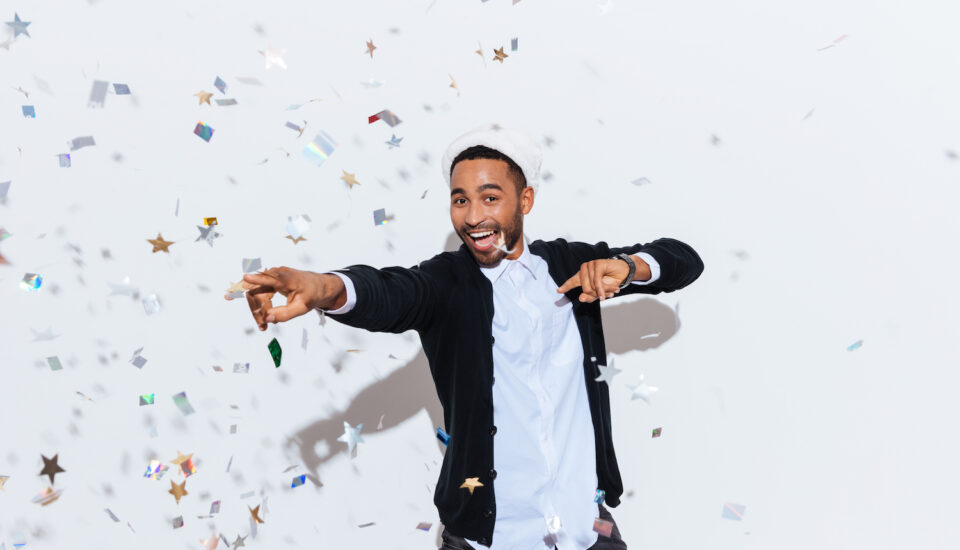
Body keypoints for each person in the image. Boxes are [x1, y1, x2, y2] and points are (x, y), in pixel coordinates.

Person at [230, 125, 704, 549]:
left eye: (490, 197)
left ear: (526, 200)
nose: (474, 216)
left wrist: (628, 267)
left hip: (585, 530)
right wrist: (325, 288)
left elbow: (683, 259)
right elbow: (390, 293)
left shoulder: (568, 264)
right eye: (460, 199)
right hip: (488, 537)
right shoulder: (446, 283)